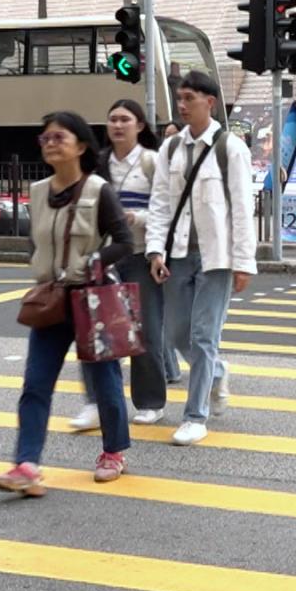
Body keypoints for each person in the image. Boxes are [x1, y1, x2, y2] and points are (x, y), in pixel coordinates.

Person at [0, 111, 134, 496]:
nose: (50, 143)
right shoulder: (37, 192)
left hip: (92, 299)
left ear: (81, 146)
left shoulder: (98, 190)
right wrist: (44, 267)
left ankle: (114, 452)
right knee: (36, 384)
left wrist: (96, 261)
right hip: (52, 298)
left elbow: (124, 241)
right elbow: (36, 241)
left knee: (105, 383)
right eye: (45, 139)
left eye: (59, 137)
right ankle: (27, 465)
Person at [146, 71, 257, 445]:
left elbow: (242, 209)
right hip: (177, 255)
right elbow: (160, 204)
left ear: (209, 102)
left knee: (203, 335)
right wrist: (155, 251)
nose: (182, 105)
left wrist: (244, 262)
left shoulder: (230, 148)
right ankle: (217, 371)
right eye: (180, 98)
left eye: (189, 98)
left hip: (217, 259)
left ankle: (195, 416)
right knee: (176, 333)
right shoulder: (171, 149)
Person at [70, 99, 167, 430]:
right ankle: (95, 402)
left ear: (139, 126)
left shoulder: (153, 162)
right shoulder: (97, 164)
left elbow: (166, 208)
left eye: (125, 119)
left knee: (146, 330)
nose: (117, 125)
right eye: (112, 119)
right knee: (95, 329)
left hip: (140, 254)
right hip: (104, 257)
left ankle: (150, 401)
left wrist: (137, 218)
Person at [160, 120, 184, 385]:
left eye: (173, 136)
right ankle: (170, 367)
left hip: (180, 251)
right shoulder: (161, 165)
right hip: (161, 250)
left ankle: (212, 368)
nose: (167, 141)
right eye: (165, 136)